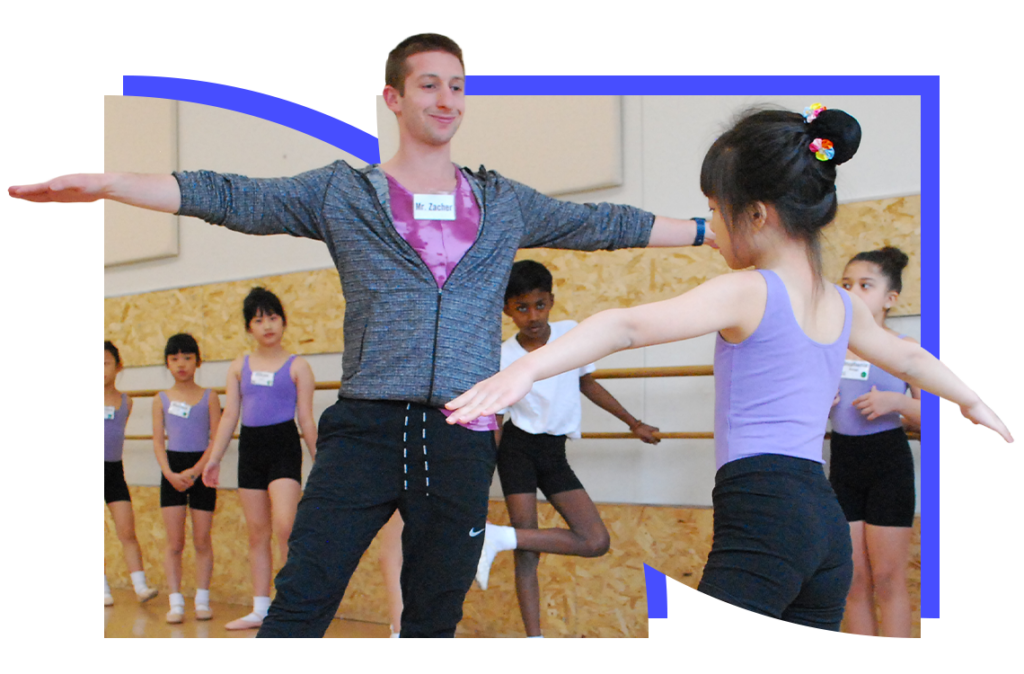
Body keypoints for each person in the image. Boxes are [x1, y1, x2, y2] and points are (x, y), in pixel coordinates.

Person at [17, 33, 711, 638]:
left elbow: (606, 225)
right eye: (429, 84)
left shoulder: (504, 203)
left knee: (434, 615)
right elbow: (229, 194)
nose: (446, 99)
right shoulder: (342, 195)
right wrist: (112, 184)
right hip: (365, 430)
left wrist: (710, 232)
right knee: (302, 600)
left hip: (462, 435)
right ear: (394, 98)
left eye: (457, 87)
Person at [445, 105, 1014, 632]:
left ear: (758, 214)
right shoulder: (839, 303)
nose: (711, 228)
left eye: (715, 211)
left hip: (764, 509)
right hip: (821, 514)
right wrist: (970, 400)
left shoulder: (750, 289)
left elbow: (626, 327)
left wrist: (524, 370)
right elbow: (911, 357)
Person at [475, 259, 660, 638]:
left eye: (539, 305)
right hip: (517, 451)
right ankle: (535, 636)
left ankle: (495, 537)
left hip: (554, 454)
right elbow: (495, 420)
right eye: (521, 308)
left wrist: (633, 422)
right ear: (507, 310)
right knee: (529, 550)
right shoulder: (503, 356)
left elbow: (586, 383)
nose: (532, 316)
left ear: (552, 301)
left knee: (595, 540)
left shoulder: (569, 335)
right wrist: (480, 471)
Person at [200, 288, 318, 630]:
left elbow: (307, 420)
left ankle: (291, 604)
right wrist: (214, 458)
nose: (267, 325)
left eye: (273, 317)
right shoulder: (240, 367)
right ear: (249, 328)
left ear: (283, 321)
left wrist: (320, 460)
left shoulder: (299, 366)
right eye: (258, 320)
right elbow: (228, 417)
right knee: (257, 531)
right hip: (250, 450)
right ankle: (261, 606)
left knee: (285, 525)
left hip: (283, 446)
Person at [829, 247, 919, 638]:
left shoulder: (904, 346)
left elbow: (936, 415)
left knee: (887, 576)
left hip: (888, 464)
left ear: (889, 298)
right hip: (844, 465)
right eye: (846, 284)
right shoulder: (829, 348)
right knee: (852, 578)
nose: (853, 291)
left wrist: (896, 402)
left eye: (865, 285)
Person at [153, 333, 222, 623]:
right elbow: (158, 442)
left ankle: (202, 599)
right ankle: (176, 601)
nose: (181, 364)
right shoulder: (161, 399)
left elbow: (216, 438)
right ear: (167, 363)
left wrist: (196, 470)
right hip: (172, 471)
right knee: (174, 541)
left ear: (197, 361)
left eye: (187, 357)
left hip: (201, 470)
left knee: (202, 539)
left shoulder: (210, 396)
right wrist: (169, 473)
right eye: (174, 358)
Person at [104, 341, 159, 605]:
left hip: (114, 470)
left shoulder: (126, 401)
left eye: (105, 364)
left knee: (127, 529)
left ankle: (139, 585)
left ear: (118, 366)